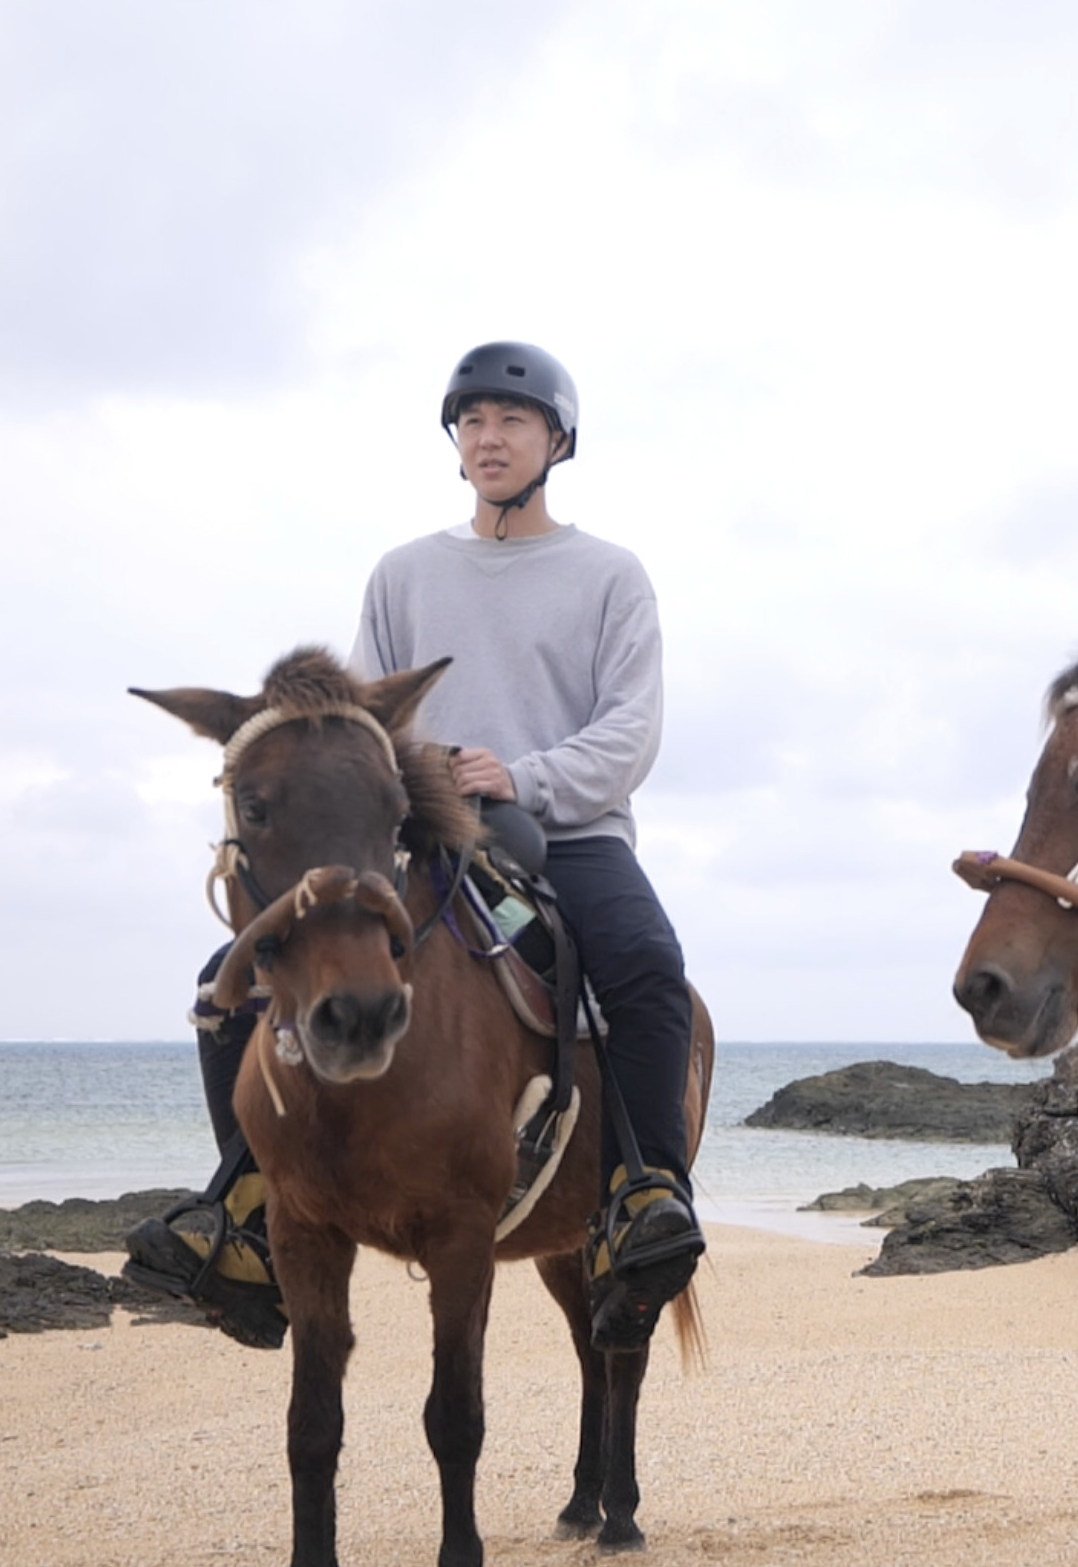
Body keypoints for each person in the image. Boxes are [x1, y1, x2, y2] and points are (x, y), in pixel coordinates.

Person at [123, 340, 706, 1349]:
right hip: (425, 834)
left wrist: (518, 773)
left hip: (562, 832)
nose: (489, 438)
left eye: (512, 421)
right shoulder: (404, 572)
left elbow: (631, 729)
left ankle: (643, 1193)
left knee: (648, 968)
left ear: (556, 441)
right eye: (471, 421)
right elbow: (357, 716)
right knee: (230, 976)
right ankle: (246, 1211)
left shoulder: (610, 574)